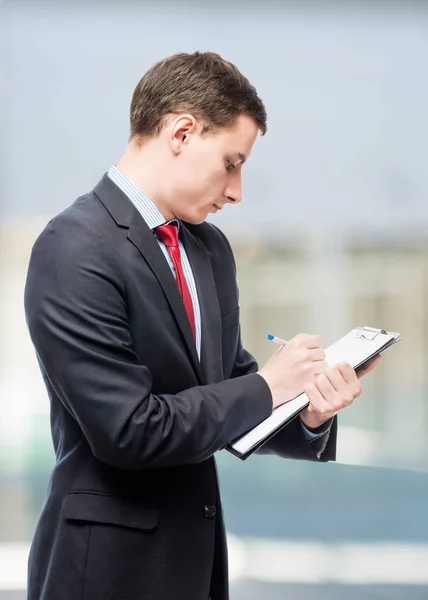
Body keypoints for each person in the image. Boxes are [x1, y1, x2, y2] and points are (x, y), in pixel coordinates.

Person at [24, 51, 380, 600]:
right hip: (108, 571)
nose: (237, 191)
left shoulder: (208, 248)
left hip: (196, 566)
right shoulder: (73, 247)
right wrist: (268, 384)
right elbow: (129, 432)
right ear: (182, 131)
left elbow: (231, 393)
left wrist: (308, 409)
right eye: (232, 162)